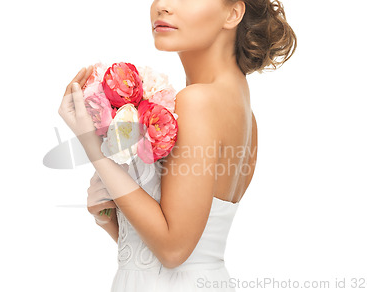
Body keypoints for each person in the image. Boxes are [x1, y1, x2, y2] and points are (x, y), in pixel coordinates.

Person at [59, 0, 297, 290]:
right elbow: (189, 246)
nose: (163, 6)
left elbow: (173, 250)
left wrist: (93, 148)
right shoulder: (243, 111)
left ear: (233, 13)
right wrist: (111, 218)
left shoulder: (198, 102)